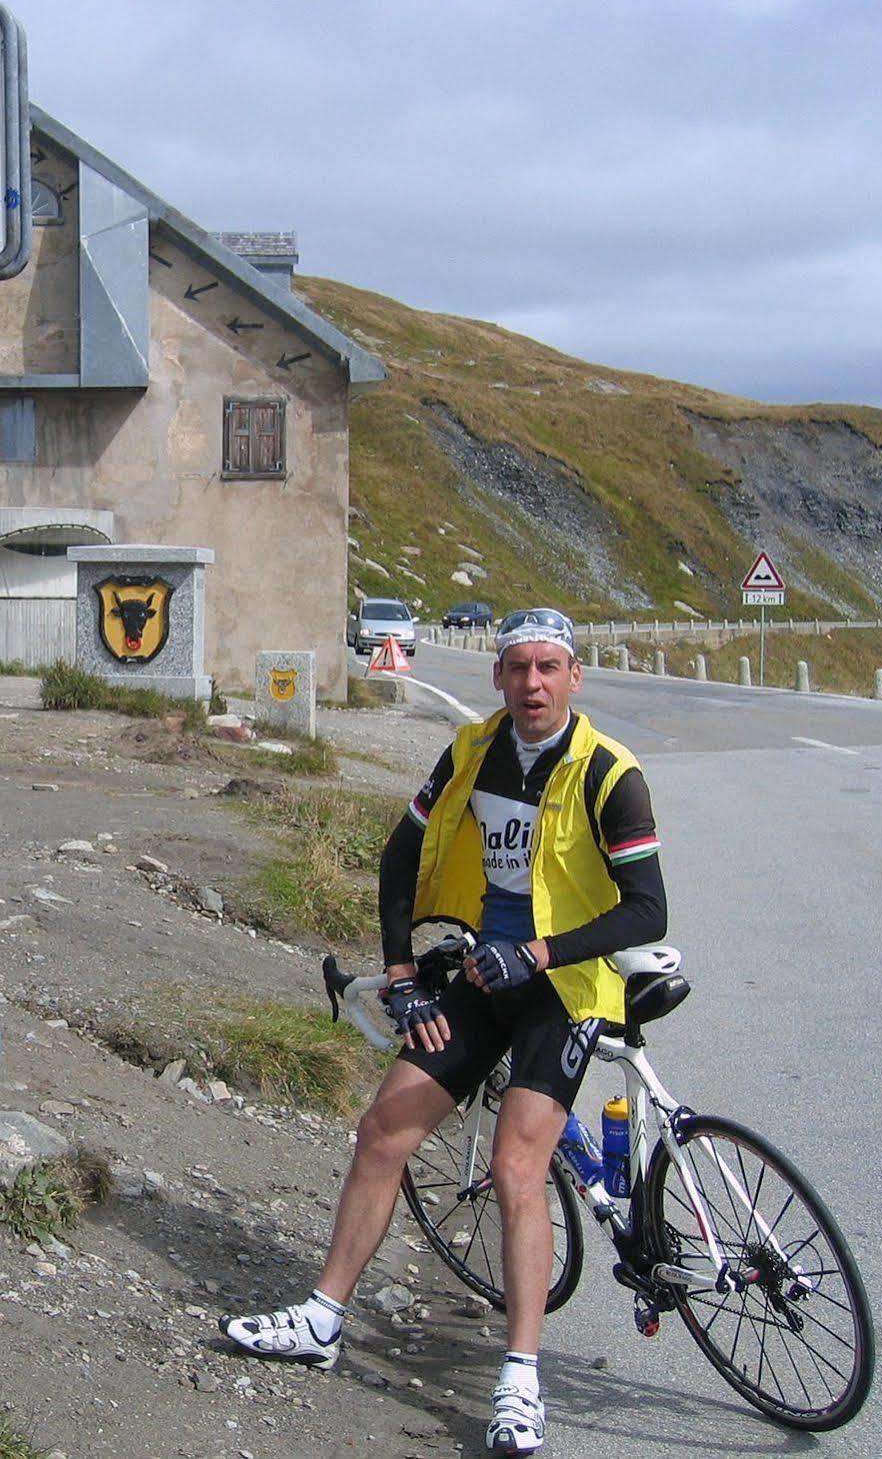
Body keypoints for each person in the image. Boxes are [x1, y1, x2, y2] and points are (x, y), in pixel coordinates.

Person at [221, 608, 666, 1455]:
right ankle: (322, 1318)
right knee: (382, 1128)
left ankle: (520, 1379)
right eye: (517, 668)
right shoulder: (471, 750)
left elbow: (647, 908)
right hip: (480, 975)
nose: (532, 684)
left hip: (563, 987)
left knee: (514, 1165)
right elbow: (399, 853)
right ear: (497, 677)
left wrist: (536, 953)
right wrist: (398, 973)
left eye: (547, 668)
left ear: (573, 677)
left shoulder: (611, 773)